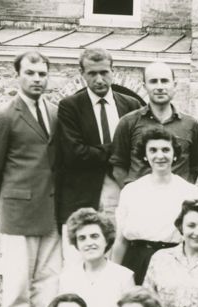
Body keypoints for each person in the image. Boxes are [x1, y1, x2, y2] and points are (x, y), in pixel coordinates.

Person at [0, 50, 62, 307]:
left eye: (42, 74)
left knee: (48, 281)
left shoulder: (55, 113)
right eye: (30, 73)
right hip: (18, 212)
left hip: (52, 210)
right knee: (17, 282)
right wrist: (9, 200)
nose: (37, 79)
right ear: (18, 75)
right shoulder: (3, 115)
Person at [53, 47, 139, 241]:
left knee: (118, 253)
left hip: (119, 189)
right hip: (82, 195)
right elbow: (75, 154)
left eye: (104, 72)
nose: (99, 79)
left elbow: (137, 151)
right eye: (92, 73)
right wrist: (118, 149)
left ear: (113, 71)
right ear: (82, 73)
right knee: (78, 262)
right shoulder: (70, 107)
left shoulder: (131, 106)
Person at [110, 126, 198, 284]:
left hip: (174, 262)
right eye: (153, 150)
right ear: (145, 155)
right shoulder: (131, 191)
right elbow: (121, 240)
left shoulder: (190, 192)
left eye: (165, 150)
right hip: (137, 261)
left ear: (174, 154)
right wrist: (113, 275)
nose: (159, 156)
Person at [109, 60, 198, 188]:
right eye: (153, 81)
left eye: (164, 81)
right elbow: (118, 166)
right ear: (145, 86)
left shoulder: (190, 124)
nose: (160, 86)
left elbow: (195, 167)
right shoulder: (128, 122)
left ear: (174, 84)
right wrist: (132, 192)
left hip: (178, 200)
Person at [57, 208, 135, 307]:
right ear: (76, 244)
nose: (89, 243)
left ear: (106, 240)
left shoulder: (124, 276)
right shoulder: (67, 278)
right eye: (82, 238)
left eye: (94, 236)